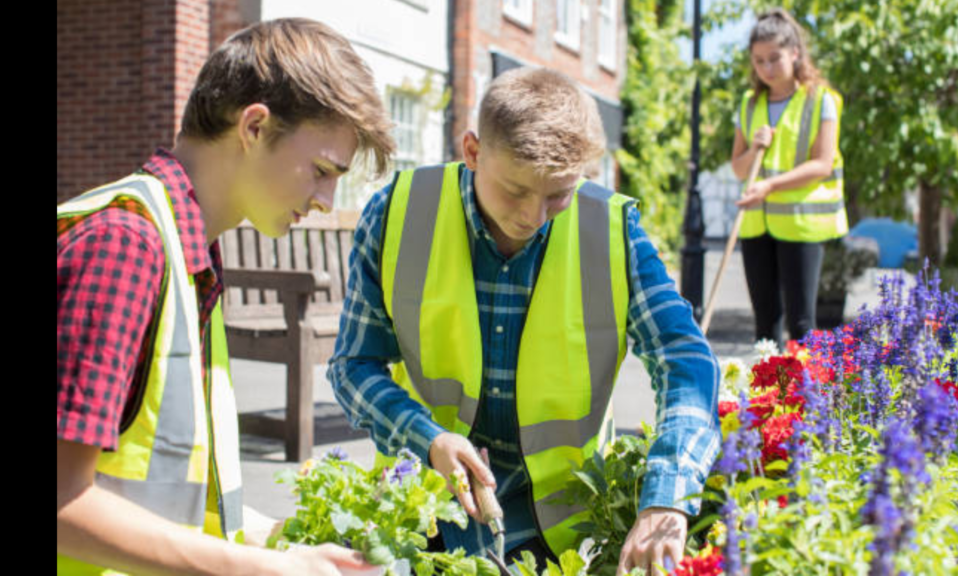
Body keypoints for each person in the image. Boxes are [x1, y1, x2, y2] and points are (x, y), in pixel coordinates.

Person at [330, 67, 721, 575]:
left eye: (558, 195)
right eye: (516, 190)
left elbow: (686, 360)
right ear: (472, 152)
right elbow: (353, 365)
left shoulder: (614, 232)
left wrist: (667, 498)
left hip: (564, 528)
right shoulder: (396, 213)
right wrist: (425, 438)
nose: (534, 216)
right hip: (422, 511)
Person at [57, 18, 394, 575]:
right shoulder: (127, 245)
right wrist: (264, 570)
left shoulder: (187, 252)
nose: (325, 200)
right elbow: (63, 502)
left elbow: (170, 500)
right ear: (256, 127)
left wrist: (287, 549)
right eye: (321, 170)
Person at [731, 8, 848, 347]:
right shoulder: (749, 104)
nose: (766, 68)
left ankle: (808, 399)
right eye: (758, 61)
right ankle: (768, 400)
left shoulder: (821, 100)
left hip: (801, 223)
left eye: (774, 59)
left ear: (795, 52)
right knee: (765, 327)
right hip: (755, 223)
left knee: (801, 324)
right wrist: (754, 150)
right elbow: (738, 168)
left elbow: (822, 164)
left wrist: (769, 186)